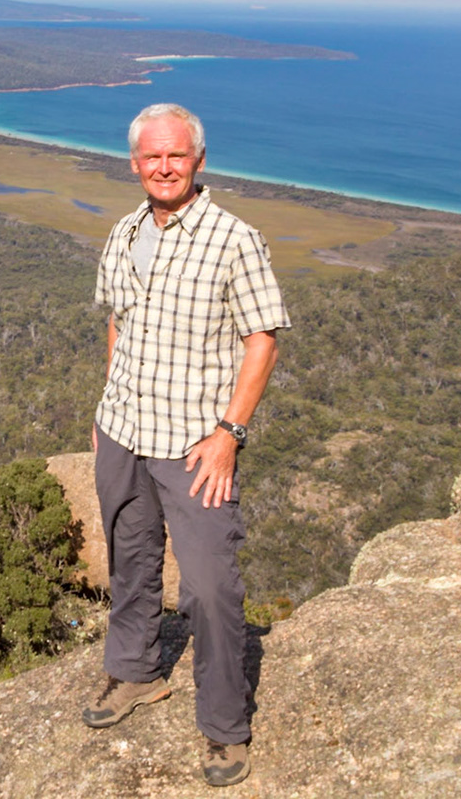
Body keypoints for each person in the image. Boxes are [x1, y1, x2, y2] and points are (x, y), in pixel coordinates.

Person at [81, 102, 289, 788]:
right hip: (125, 432)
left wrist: (230, 433)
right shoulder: (127, 232)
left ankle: (226, 728)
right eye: (151, 156)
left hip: (195, 444)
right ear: (135, 163)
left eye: (176, 155)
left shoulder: (234, 239)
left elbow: (262, 338)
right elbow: (118, 321)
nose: (163, 166)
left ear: (199, 160)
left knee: (207, 588)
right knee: (129, 560)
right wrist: (106, 409)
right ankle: (135, 673)